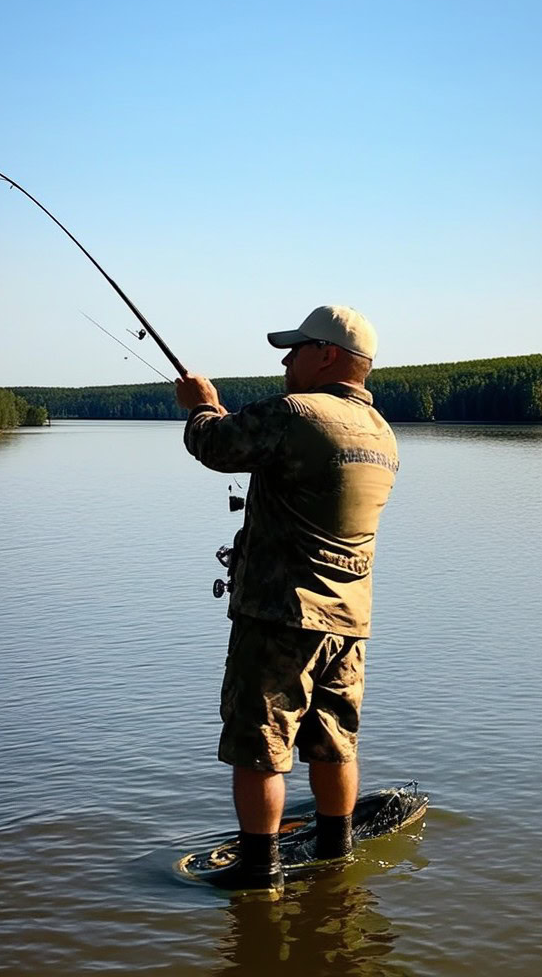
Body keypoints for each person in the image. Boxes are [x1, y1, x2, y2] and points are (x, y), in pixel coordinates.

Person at [175, 305, 399, 895]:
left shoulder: (296, 412)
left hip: (281, 616)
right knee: (334, 741)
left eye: (296, 348)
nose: (284, 359)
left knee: (261, 746)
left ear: (327, 354)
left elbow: (217, 446)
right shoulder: (383, 435)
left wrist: (201, 404)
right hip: (349, 621)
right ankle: (335, 853)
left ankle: (260, 870)